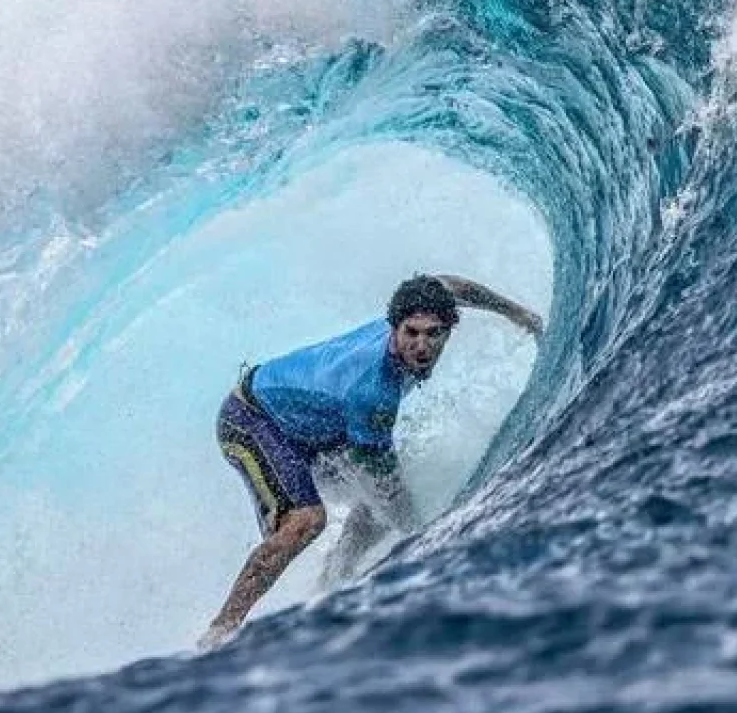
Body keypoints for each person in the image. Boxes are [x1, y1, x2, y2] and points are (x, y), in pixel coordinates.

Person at [197, 274, 543, 650]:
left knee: (374, 505)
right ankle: (220, 631)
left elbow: (450, 286)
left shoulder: (424, 309)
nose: (422, 346)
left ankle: (332, 581)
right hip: (251, 420)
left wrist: (515, 312)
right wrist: (422, 534)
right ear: (395, 326)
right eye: (411, 333)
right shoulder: (374, 391)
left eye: (434, 334)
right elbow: (384, 482)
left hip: (317, 427)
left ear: (448, 327)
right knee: (305, 521)